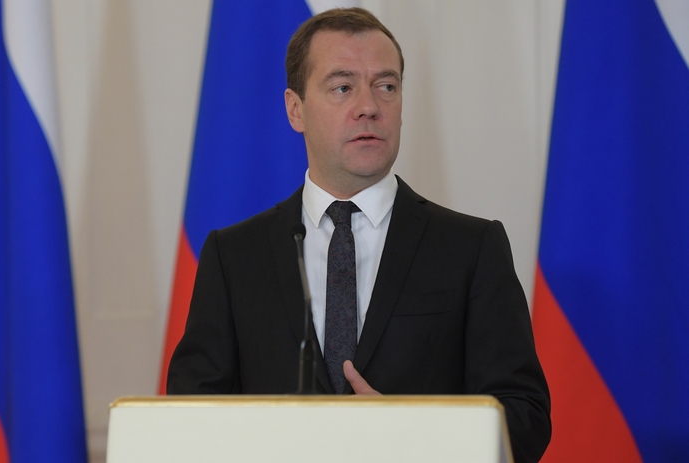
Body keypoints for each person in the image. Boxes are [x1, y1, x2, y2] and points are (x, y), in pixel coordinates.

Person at [168, 7, 550, 463]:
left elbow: (525, 418)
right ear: (295, 109)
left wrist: (409, 435)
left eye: (386, 86)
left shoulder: (471, 248)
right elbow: (188, 420)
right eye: (343, 87)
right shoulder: (234, 257)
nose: (369, 106)